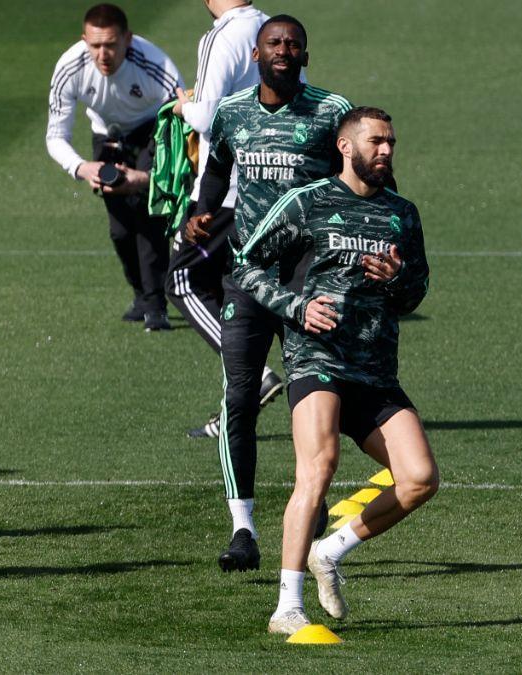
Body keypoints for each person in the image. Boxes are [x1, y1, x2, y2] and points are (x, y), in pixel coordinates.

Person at [232, 107, 436, 635]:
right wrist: (297, 307)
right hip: (316, 359)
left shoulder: (402, 213)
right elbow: (246, 266)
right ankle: (287, 605)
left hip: (375, 369)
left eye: (391, 142)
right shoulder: (308, 201)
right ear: (346, 147)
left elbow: (415, 293)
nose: (387, 151)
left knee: (419, 479)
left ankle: (331, 550)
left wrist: (396, 279)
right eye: (377, 142)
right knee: (318, 467)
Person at [189, 14, 351, 572]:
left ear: (306, 56)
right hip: (248, 275)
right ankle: (243, 528)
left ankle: (312, 499)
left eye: (293, 44)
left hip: (311, 278)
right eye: (273, 43)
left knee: (311, 399)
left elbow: (371, 185)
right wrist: (200, 213)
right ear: (256, 55)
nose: (283, 50)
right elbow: (216, 171)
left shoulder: (332, 113)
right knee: (238, 397)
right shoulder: (232, 114)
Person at [166, 0, 278, 439]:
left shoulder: (221, 34)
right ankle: (240, 405)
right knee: (249, 296)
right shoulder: (275, 27)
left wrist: (181, 106)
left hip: (226, 191)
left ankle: (258, 380)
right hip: (275, 188)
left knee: (183, 281)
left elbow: (207, 117)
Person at [46, 3, 183, 331]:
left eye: (111, 44)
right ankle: (140, 295)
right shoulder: (70, 66)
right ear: (84, 40)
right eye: (95, 45)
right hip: (106, 135)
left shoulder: (154, 65)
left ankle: (156, 304)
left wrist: (150, 176)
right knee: (120, 228)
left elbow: (182, 118)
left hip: (154, 129)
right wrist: (83, 168)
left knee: (149, 216)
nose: (103, 54)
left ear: (128, 39)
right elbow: (55, 136)